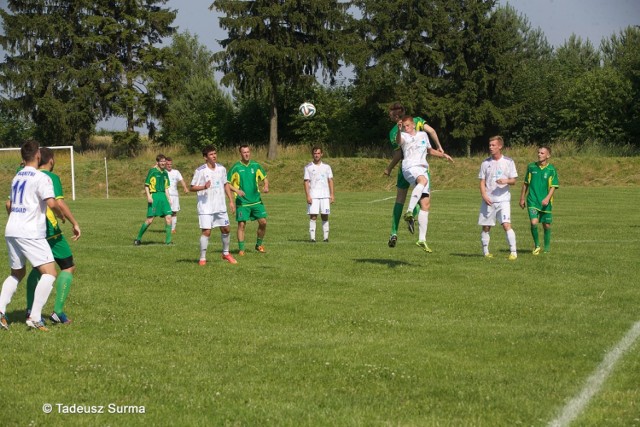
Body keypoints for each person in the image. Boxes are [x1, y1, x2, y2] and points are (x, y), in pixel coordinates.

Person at [0, 140, 65, 331]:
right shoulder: (40, 177)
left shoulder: (17, 177)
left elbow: (9, 204)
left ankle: (1, 310)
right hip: (31, 232)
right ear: (38, 155)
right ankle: (35, 317)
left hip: (12, 229)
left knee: (17, 273)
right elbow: (52, 204)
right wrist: (62, 217)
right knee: (50, 273)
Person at [25, 147, 81, 325]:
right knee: (68, 266)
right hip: (50, 231)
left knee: (37, 269)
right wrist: (74, 223)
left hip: (30, 229)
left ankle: (29, 309)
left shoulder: (26, 174)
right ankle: (57, 311)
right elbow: (58, 203)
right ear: (50, 160)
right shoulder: (50, 177)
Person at [383, 102, 445, 247]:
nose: (394, 116)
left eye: (394, 114)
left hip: (406, 167)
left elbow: (399, 153)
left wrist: (389, 168)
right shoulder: (414, 121)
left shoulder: (395, 131)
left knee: (401, 199)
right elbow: (432, 131)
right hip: (417, 166)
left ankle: (394, 232)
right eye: (393, 114)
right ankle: (412, 215)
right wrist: (440, 147)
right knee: (423, 197)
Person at [393, 115, 453, 252]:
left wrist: (444, 155)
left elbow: (429, 151)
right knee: (423, 180)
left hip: (422, 168)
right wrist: (398, 129)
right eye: (404, 126)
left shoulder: (423, 135)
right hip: (409, 167)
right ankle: (409, 212)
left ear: (413, 125)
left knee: (426, 204)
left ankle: (421, 239)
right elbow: (398, 141)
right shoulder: (404, 136)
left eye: (408, 126)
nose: (406, 128)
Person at [190, 145, 243, 265]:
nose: (214, 156)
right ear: (205, 157)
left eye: (215, 153)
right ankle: (202, 258)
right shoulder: (200, 171)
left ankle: (226, 253)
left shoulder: (222, 169)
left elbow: (226, 185)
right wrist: (204, 186)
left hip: (220, 206)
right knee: (207, 231)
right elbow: (192, 187)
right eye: (211, 154)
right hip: (206, 207)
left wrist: (230, 201)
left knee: (226, 229)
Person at [478, 135, 518, 260]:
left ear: (500, 146)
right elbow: (482, 181)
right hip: (489, 200)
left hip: (503, 200)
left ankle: (513, 252)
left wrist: (505, 180)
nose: (491, 147)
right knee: (486, 227)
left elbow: (514, 180)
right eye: (490, 145)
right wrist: (484, 195)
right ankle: (486, 252)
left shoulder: (508, 161)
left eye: (493, 145)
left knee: (506, 224)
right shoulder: (485, 163)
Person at [228, 145, 269, 255]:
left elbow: (265, 179)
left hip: (256, 200)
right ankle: (241, 249)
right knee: (241, 225)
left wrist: (266, 186)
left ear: (250, 152)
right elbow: (226, 183)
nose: (246, 154)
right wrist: (236, 190)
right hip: (242, 202)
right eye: (244, 152)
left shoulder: (256, 165)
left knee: (263, 222)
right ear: (240, 154)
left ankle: (258, 245)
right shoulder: (236, 167)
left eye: (248, 152)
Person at [519, 145, 559, 254]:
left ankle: (546, 248)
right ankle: (537, 245)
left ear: (548, 155)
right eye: (538, 152)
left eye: (542, 153)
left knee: (546, 225)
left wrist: (547, 198)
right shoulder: (531, 167)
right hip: (532, 200)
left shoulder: (551, 170)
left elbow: (553, 186)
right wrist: (522, 198)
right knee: (533, 222)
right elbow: (525, 183)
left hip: (545, 202)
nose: (539, 154)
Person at [134, 154, 173, 246]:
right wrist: (149, 196)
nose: (163, 163)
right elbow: (146, 185)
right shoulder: (152, 171)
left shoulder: (165, 173)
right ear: (157, 162)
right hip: (154, 196)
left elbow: (166, 188)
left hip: (163, 197)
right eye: (161, 161)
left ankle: (168, 242)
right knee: (150, 220)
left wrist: (169, 199)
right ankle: (138, 239)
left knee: (168, 218)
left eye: (164, 161)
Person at [303, 146, 335, 242]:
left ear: (322, 154)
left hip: (325, 195)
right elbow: (306, 182)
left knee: (325, 215)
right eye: (315, 153)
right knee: (313, 216)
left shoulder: (327, 167)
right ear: (312, 154)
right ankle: (312, 238)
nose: (316, 155)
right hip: (313, 195)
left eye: (318, 153)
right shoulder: (308, 167)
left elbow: (330, 180)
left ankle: (326, 238)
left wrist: (332, 194)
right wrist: (308, 195)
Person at [165, 157, 189, 234]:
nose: (169, 165)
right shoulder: (162, 172)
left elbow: (181, 180)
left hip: (175, 195)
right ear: (165, 164)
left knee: (174, 212)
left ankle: (173, 229)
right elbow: (153, 170)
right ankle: (168, 228)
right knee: (167, 213)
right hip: (166, 195)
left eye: (170, 164)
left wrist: (185, 187)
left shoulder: (176, 172)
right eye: (167, 164)